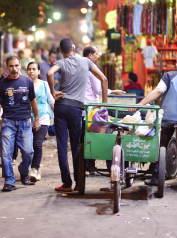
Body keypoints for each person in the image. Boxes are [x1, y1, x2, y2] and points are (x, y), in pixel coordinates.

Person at [47, 38, 108, 192]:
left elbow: (49, 73)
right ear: (73, 48)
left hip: (61, 107)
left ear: (61, 51)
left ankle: (66, 184)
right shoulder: (86, 62)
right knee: (76, 147)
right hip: (76, 110)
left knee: (62, 146)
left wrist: (53, 92)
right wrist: (105, 103)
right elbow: (103, 79)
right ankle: (79, 183)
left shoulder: (60, 63)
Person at [136, 55, 177, 185]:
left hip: (170, 117)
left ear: (176, 65)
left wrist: (141, 104)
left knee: (161, 143)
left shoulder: (169, 76)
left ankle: (156, 176)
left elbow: (158, 91)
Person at [0, 56, 41, 192]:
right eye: (11, 66)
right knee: (6, 153)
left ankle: (24, 171)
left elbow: (33, 101)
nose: (14, 69)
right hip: (8, 121)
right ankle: (9, 180)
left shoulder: (27, 81)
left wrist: (36, 119)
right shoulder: (2, 83)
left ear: (20, 66)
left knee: (28, 151)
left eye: (16, 66)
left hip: (25, 122)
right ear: (7, 67)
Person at [83, 45, 125, 176]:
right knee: (95, 135)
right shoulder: (92, 69)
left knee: (84, 137)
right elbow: (99, 89)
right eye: (96, 54)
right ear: (90, 56)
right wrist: (113, 91)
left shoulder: (78, 67)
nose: (98, 56)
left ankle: (88, 166)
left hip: (80, 108)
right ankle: (90, 165)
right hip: (90, 110)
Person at [27, 62, 55, 182]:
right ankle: (30, 167)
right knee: (27, 147)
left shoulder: (44, 84)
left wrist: (58, 116)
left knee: (37, 143)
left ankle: (34, 168)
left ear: (39, 71)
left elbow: (51, 100)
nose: (31, 71)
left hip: (43, 117)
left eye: (34, 69)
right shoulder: (24, 85)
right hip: (27, 118)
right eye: (29, 69)